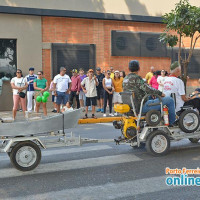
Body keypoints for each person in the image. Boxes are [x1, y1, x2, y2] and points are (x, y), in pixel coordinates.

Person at [123, 60, 176, 126]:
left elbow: (139, 90)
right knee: (169, 100)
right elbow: (147, 88)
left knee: (153, 100)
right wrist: (160, 93)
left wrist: (152, 94)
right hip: (142, 106)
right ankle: (172, 123)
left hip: (131, 108)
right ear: (139, 68)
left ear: (128, 69)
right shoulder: (137, 78)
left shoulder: (125, 79)